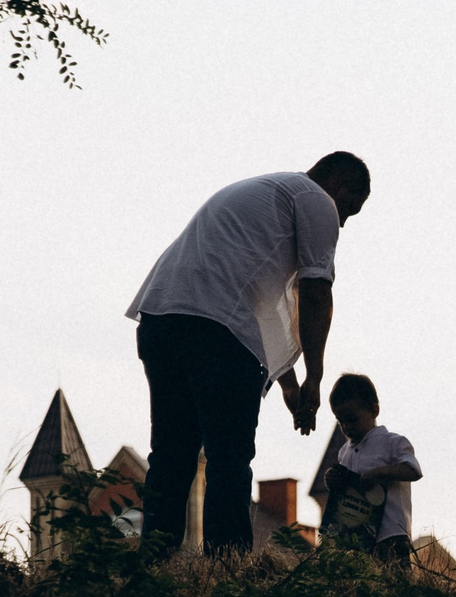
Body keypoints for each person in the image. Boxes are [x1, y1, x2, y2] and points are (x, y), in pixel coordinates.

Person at [126, 153, 371, 556]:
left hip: (161, 318)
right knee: (228, 456)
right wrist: (315, 375)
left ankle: (154, 565)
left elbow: (262, 304)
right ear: (341, 187)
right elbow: (315, 291)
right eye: (350, 209)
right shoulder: (316, 199)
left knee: (171, 454)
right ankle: (228, 568)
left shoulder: (265, 193)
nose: (342, 221)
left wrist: (287, 383)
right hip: (216, 330)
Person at [318, 373, 422, 563]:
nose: (346, 426)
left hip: (391, 534)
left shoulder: (393, 442)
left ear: (374, 411)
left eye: (352, 419)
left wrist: (379, 473)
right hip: (357, 537)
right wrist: (332, 480)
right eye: (340, 421)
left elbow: (413, 470)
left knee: (395, 585)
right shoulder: (344, 452)